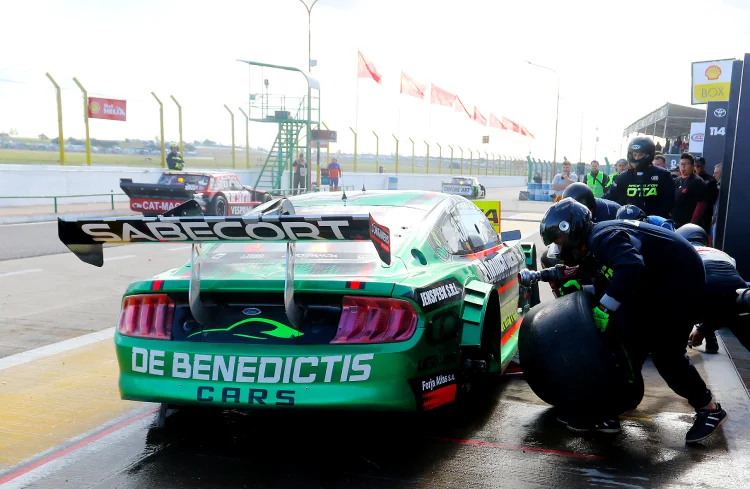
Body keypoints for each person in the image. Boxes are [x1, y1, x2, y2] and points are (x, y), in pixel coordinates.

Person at [540, 199, 726, 442]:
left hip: (679, 285)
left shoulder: (602, 237)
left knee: (665, 354)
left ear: (570, 229)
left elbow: (630, 267)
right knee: (626, 343)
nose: (558, 246)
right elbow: (611, 275)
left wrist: (605, 308)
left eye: (558, 240)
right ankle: (613, 407)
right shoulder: (596, 240)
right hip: (657, 284)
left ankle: (709, 408)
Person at [678, 224, 750, 354]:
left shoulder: (683, 249)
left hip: (706, 287)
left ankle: (675, 348)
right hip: (739, 289)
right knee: (735, 319)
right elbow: (722, 294)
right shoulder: (723, 253)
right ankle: (708, 338)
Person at [604, 137, 675, 218]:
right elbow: (609, 198)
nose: (636, 158)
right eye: (634, 154)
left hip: (655, 224)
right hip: (628, 224)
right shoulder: (622, 177)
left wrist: (649, 219)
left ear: (649, 154)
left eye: (640, 155)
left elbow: (669, 203)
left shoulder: (663, 175)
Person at [671, 153, 707, 229]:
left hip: (688, 225)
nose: (683, 167)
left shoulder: (697, 181)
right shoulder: (676, 180)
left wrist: (692, 224)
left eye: (686, 164)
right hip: (675, 223)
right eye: (681, 164)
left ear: (693, 165)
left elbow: (701, 205)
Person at [695, 156, 718, 237]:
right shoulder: (688, 178)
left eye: (699, 166)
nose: (696, 168)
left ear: (704, 167)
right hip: (689, 213)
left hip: (704, 215)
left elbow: (711, 199)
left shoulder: (710, 180)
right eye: (695, 165)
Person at [711, 163, 723, 243]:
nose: (713, 175)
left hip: (718, 221)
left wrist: (714, 218)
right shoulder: (716, 185)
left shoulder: (723, 187)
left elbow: (718, 205)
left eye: (716, 173)